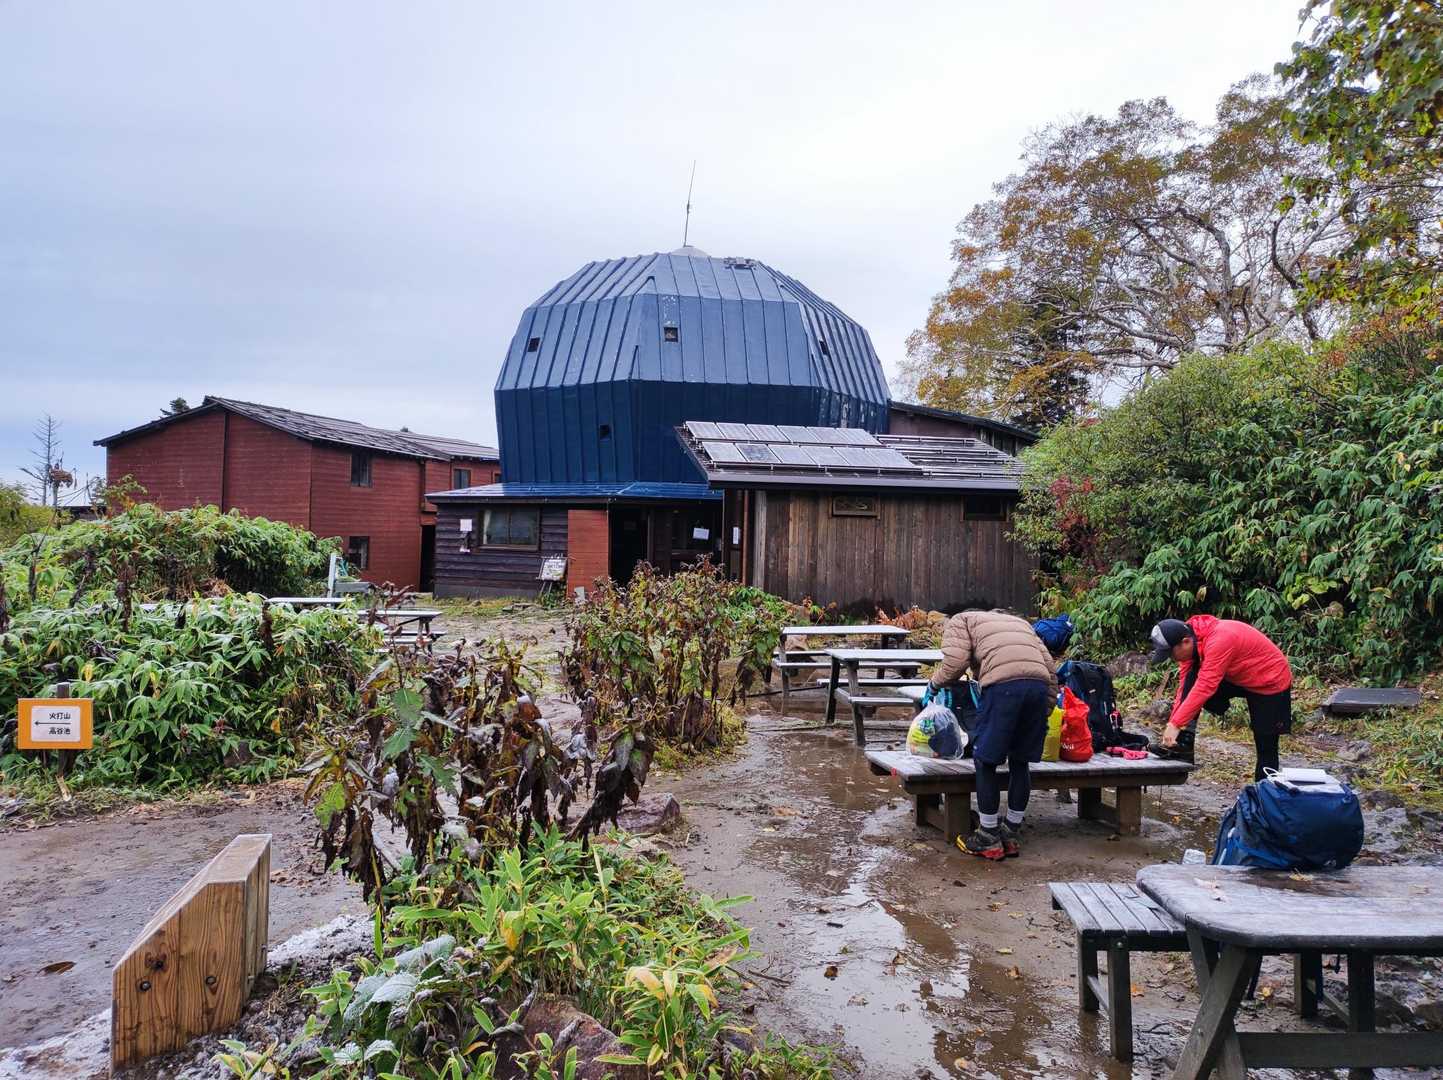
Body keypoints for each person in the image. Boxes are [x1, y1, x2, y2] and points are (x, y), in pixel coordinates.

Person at [924, 609, 1058, 860]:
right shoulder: (1021, 622)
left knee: (985, 760)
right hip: (1038, 687)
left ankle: (987, 836)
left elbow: (955, 663)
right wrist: (1044, 710)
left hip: (1003, 686)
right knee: (1020, 761)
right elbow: (1050, 671)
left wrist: (934, 684)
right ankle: (1010, 832)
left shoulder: (961, 621)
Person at [1148, 615, 1293, 780]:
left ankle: (1265, 792)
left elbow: (1205, 686)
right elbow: (1185, 688)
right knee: (1192, 680)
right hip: (1239, 676)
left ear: (1185, 642)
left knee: (1265, 744)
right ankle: (1183, 746)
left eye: (1171, 654)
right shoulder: (1191, 639)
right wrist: (1174, 724)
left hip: (1271, 680)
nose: (1172, 659)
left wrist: (1176, 724)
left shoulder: (1219, 639)